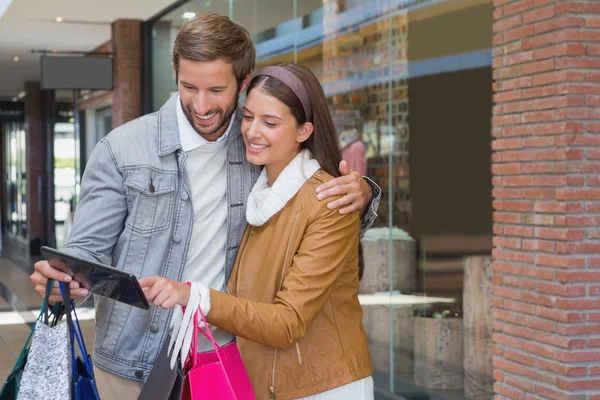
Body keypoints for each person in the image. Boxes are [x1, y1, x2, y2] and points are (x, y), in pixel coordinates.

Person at [28, 12, 380, 400]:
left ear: (243, 82)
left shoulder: (256, 149)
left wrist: (362, 193)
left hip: (226, 360)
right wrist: (66, 279)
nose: (200, 105)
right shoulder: (122, 149)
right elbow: (86, 251)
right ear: (175, 73)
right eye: (188, 86)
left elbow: (308, 214)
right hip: (133, 364)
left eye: (216, 90)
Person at [140, 63, 374, 399]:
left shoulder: (327, 201)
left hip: (324, 386)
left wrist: (194, 295)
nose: (251, 131)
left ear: (304, 131)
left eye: (270, 122)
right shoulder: (259, 191)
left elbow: (287, 322)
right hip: (266, 380)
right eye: (248, 117)